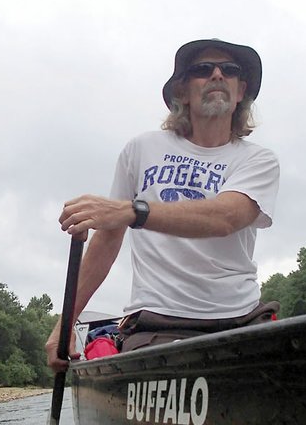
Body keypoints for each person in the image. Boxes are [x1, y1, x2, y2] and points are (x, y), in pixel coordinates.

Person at [46, 39, 281, 373]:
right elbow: (108, 239)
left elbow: (227, 217)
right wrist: (65, 324)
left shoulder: (258, 160)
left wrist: (133, 211)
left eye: (229, 70)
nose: (217, 75)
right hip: (158, 320)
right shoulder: (141, 149)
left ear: (240, 90)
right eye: (202, 70)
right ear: (182, 92)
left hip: (240, 317)